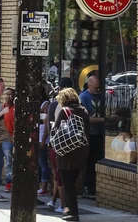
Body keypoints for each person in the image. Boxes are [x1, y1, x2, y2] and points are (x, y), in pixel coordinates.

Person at [54, 88, 90, 221]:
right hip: (81, 152)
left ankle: (73, 213)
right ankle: (68, 209)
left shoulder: (65, 112)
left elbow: (56, 130)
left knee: (68, 185)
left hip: (66, 153)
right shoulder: (84, 111)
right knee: (72, 182)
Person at [47, 78, 73, 214]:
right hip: (63, 146)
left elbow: (49, 126)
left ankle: (56, 201)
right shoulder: (64, 107)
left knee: (58, 175)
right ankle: (61, 204)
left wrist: (47, 140)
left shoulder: (57, 105)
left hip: (56, 144)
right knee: (60, 176)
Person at [79, 75, 104, 199]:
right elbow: (86, 118)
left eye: (99, 87)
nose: (98, 89)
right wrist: (103, 120)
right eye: (95, 87)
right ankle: (88, 188)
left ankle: (94, 187)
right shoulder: (83, 97)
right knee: (90, 162)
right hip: (90, 134)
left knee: (98, 160)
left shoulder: (101, 96)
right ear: (89, 85)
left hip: (101, 134)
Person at [2, 88, 15, 193]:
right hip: (6, 139)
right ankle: (9, 183)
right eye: (6, 94)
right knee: (9, 162)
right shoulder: (3, 108)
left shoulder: (15, 108)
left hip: (14, 138)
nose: (8, 96)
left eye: (10, 95)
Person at [38, 93, 51, 196]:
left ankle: (44, 187)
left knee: (43, 163)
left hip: (42, 138)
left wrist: (43, 140)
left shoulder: (45, 104)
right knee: (39, 163)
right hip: (37, 137)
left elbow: (46, 124)